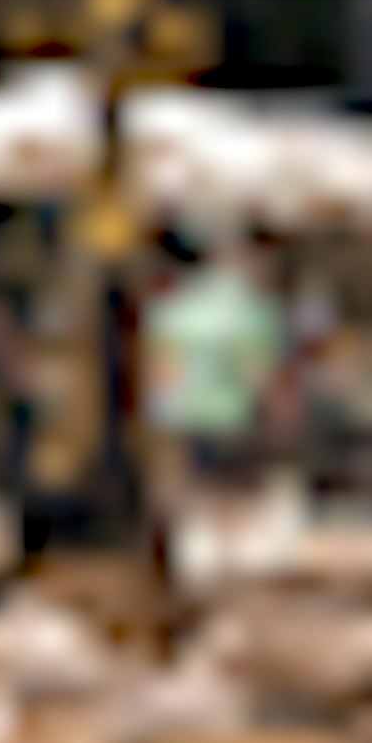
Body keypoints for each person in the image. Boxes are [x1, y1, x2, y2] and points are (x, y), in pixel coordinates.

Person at [145, 228, 286, 532]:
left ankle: (188, 554)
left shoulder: (172, 307)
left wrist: (162, 413)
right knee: (234, 497)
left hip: (185, 415)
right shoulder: (254, 309)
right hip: (234, 414)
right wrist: (274, 419)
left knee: (189, 496)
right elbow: (259, 373)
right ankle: (229, 559)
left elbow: (163, 371)